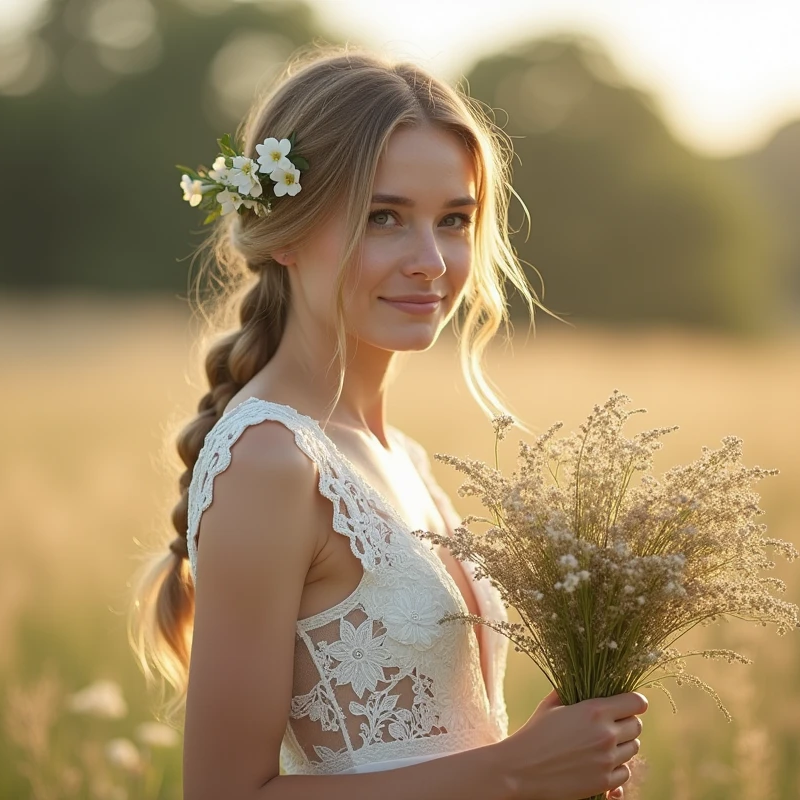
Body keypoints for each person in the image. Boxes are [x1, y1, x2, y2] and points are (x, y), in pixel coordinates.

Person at [129, 44, 647, 799]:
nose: (432, 260)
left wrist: (558, 759)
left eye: (455, 219)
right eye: (384, 217)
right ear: (284, 231)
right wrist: (513, 772)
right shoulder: (271, 462)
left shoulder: (395, 453)